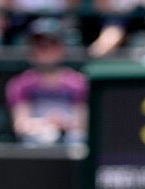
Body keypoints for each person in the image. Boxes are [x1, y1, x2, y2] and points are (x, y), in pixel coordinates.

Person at [6, 17, 89, 145]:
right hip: (37, 144)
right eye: (39, 45)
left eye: (53, 43)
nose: (46, 49)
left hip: (71, 143)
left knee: (77, 138)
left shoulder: (79, 82)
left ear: (63, 48)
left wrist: (63, 124)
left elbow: (83, 123)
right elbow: (21, 125)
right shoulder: (20, 84)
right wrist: (46, 124)